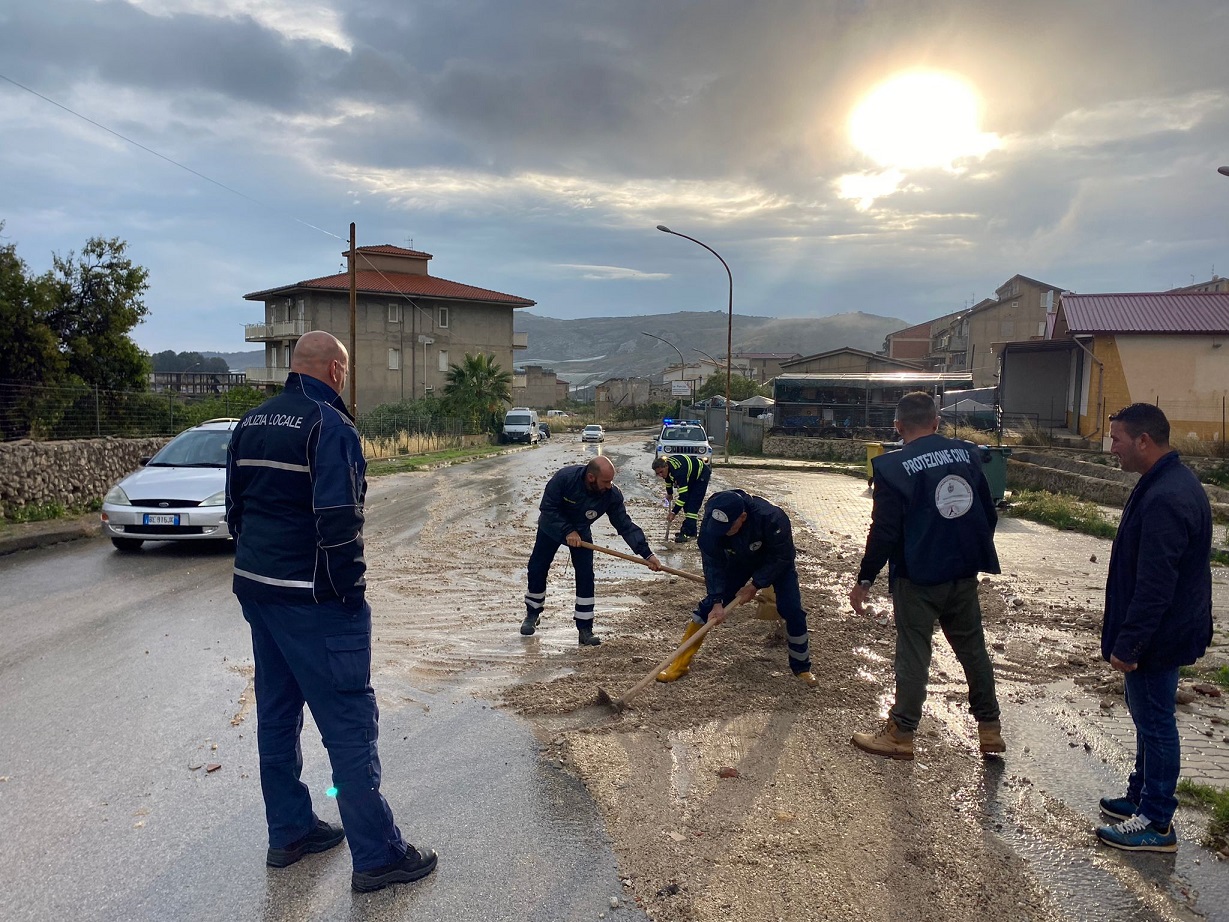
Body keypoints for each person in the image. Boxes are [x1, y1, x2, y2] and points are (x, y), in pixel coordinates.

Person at [225, 331, 437, 894]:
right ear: (336, 371)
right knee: (348, 725)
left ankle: (290, 832)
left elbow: (235, 510)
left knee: (276, 715)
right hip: (315, 601)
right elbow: (340, 520)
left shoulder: (250, 422)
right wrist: (350, 595)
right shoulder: (329, 425)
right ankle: (378, 855)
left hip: (259, 591)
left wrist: (260, 572)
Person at [848, 391, 1003, 761]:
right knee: (973, 650)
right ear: (936, 422)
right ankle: (990, 730)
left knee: (914, 653)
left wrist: (865, 579)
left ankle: (901, 733)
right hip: (963, 573)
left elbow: (884, 531)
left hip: (917, 577)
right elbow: (987, 511)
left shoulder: (892, 466)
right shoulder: (967, 455)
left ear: (898, 426)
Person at [1095, 403, 1212, 853]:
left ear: (1144, 440)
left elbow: (1155, 585)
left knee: (1157, 722)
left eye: (1118, 440)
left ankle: (1157, 822)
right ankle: (1140, 797)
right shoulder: (1163, 482)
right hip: (1164, 630)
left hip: (1158, 635)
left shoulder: (1167, 496)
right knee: (1147, 716)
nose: (1113, 449)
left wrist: (1130, 643)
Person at [656, 489, 818, 686]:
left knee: (791, 609)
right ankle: (679, 665)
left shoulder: (772, 518)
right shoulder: (713, 520)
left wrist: (755, 585)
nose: (722, 531)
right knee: (707, 609)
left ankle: (802, 668)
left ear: (742, 517)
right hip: (738, 560)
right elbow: (712, 562)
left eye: (728, 527)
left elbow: (782, 557)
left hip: (775, 561)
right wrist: (717, 600)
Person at [521, 456, 663, 644]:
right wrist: (567, 531)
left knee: (586, 576)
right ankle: (532, 613)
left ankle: (585, 628)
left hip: (581, 532)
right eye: (605, 481)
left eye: (611, 481)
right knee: (537, 568)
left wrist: (647, 554)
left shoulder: (611, 495)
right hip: (551, 528)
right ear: (590, 477)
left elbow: (625, 525)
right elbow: (547, 507)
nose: (609, 485)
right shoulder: (565, 479)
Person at [652, 454, 712, 543]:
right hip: (691, 476)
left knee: (692, 505)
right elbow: (668, 480)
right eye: (657, 473)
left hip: (701, 475)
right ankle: (692, 531)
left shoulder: (678, 472)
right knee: (687, 505)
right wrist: (669, 493)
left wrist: (673, 512)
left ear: (666, 466)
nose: (660, 475)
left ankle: (687, 533)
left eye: (661, 472)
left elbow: (683, 496)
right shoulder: (668, 470)